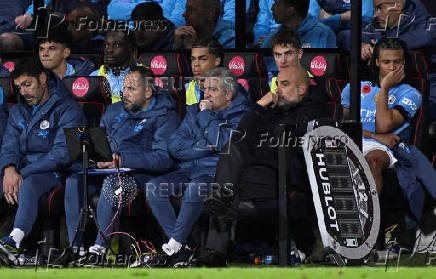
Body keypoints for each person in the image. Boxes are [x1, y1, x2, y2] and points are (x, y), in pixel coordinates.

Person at [196, 65, 331, 266]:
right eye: (277, 84)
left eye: (284, 85)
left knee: (225, 195)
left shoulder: (311, 112)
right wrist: (260, 106)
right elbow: (242, 133)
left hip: (283, 178)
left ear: (301, 89)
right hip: (252, 177)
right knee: (232, 149)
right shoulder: (272, 112)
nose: (278, 90)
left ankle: (218, 238)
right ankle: (216, 247)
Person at [58, 66, 180, 265]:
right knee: (74, 181)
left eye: (132, 89)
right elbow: (104, 142)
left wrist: (123, 160)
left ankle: (99, 250)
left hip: (142, 175)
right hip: (110, 169)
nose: (125, 94)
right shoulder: (115, 111)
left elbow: (164, 159)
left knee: (112, 183)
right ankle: (76, 248)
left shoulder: (165, 116)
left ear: (148, 92)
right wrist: (97, 156)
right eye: (124, 88)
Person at [144, 67, 252, 267]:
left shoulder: (242, 115)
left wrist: (206, 117)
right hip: (188, 170)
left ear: (228, 94)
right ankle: (185, 248)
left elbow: (224, 144)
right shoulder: (194, 110)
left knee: (196, 188)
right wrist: (207, 145)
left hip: (215, 174)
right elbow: (174, 146)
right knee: (153, 188)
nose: (206, 94)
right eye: (205, 89)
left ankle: (173, 246)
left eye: (213, 89)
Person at [0, 58, 86, 266]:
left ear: (43, 79)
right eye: (19, 87)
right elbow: (9, 145)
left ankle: (14, 240)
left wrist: (22, 173)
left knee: (29, 183)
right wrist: (9, 169)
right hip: (22, 170)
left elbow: (62, 154)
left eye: (27, 84)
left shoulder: (68, 108)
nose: (23, 92)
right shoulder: (18, 111)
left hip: (57, 172)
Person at [341, 38, 422, 194]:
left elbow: (383, 126)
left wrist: (384, 87)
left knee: (374, 161)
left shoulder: (411, 93)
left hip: (384, 148)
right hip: (352, 139)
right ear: (377, 62)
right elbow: (340, 125)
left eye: (398, 62)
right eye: (386, 62)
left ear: (404, 63)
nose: (392, 68)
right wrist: (374, 135)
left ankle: (370, 217)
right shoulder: (355, 88)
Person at [261, 0, 336, 48]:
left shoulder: (323, 35)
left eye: (277, 4)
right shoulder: (271, 39)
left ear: (290, 11)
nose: (272, 8)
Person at [90, 30, 138, 104]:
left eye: (117, 45)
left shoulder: (144, 75)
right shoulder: (94, 77)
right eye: (106, 45)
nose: (109, 50)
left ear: (130, 48)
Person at [185, 36, 223, 105]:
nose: (196, 64)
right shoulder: (184, 89)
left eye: (203, 59)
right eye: (193, 59)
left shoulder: (229, 90)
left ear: (217, 61)